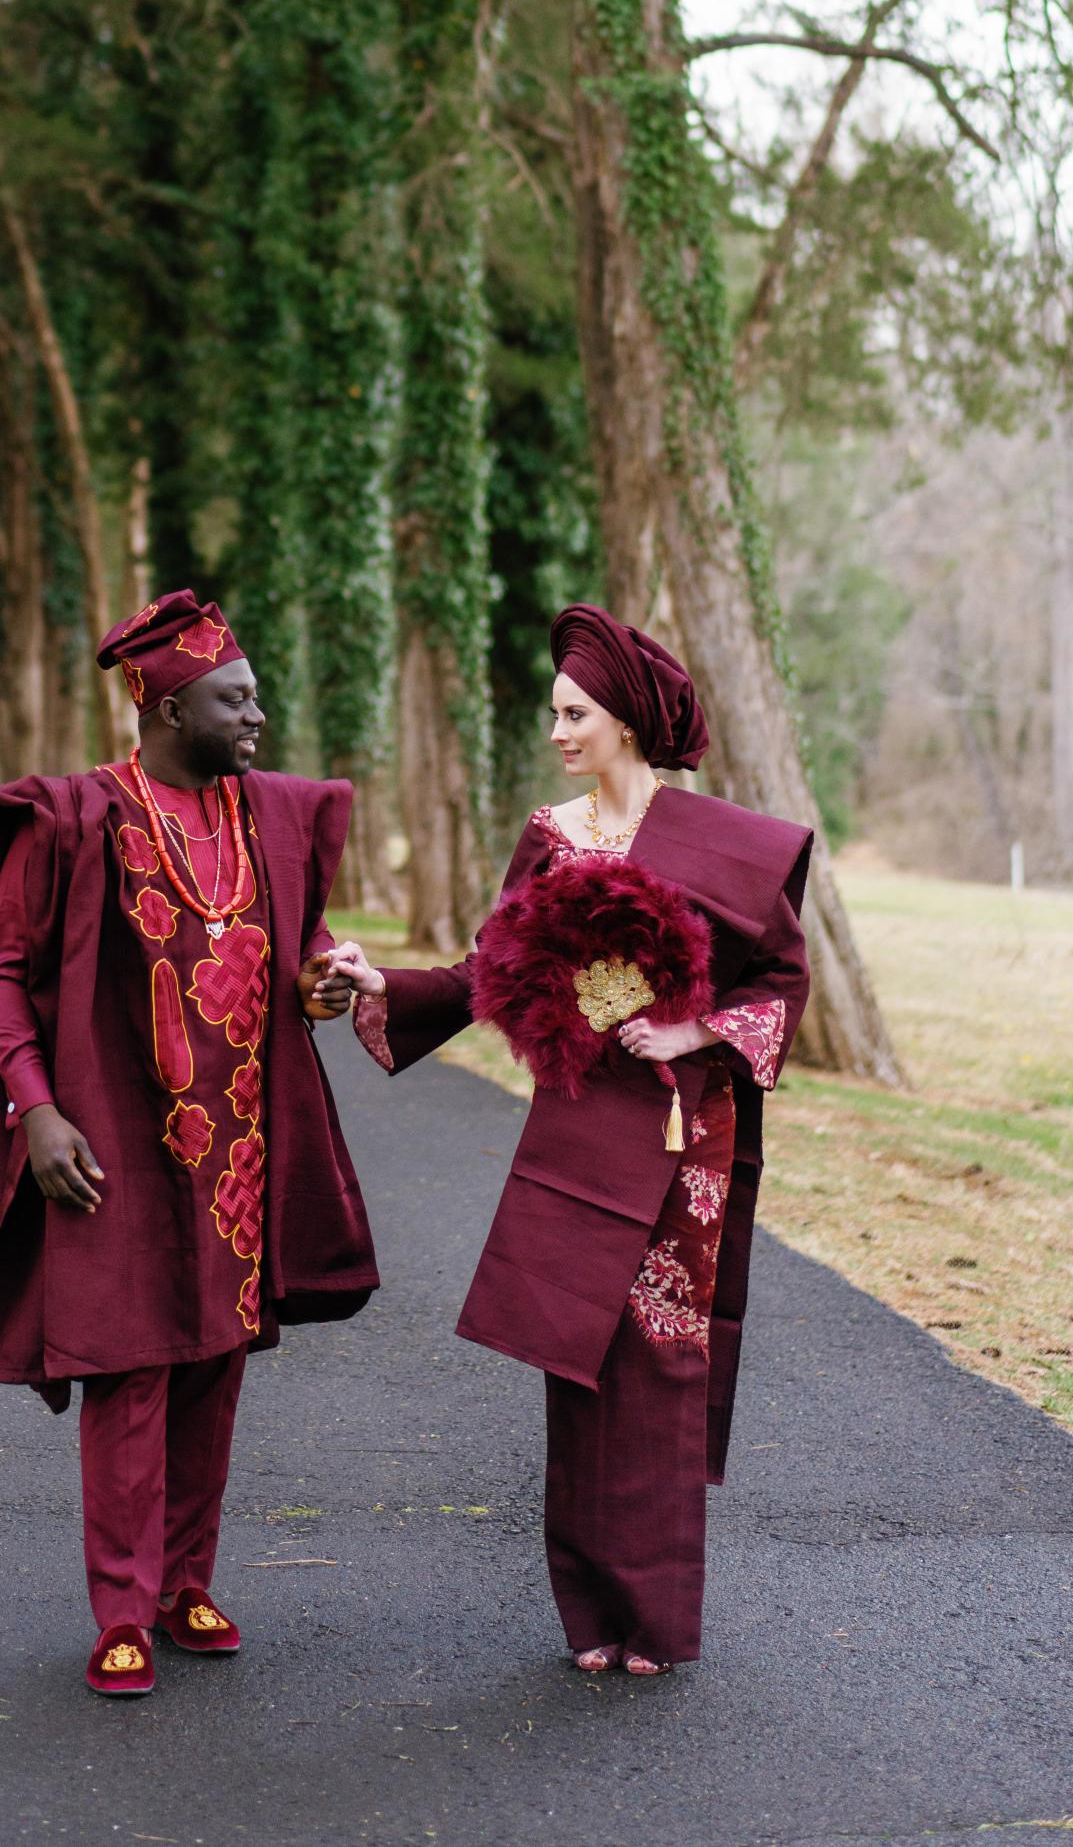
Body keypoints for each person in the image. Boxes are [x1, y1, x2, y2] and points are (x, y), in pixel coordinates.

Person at [323, 602, 810, 1676]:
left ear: (627, 723)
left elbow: (781, 980)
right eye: (554, 712)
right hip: (578, 1132)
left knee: (658, 1362)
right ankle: (591, 1615)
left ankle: (657, 1624)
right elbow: (488, 971)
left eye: (574, 712)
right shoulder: (552, 835)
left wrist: (693, 1026)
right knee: (574, 1362)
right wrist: (382, 987)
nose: (557, 732)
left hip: (687, 1137)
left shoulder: (727, 845)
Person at [0, 591, 376, 1698]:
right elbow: (0, 973)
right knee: (129, 1369)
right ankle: (122, 1611)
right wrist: (35, 1109)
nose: (259, 716)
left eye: (256, 696)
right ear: (167, 705)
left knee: (215, 1367)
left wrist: (322, 982)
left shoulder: (264, 817)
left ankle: (189, 1583)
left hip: (239, 1144)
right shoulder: (76, 818)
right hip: (116, 1138)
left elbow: (301, 947)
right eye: (236, 698)